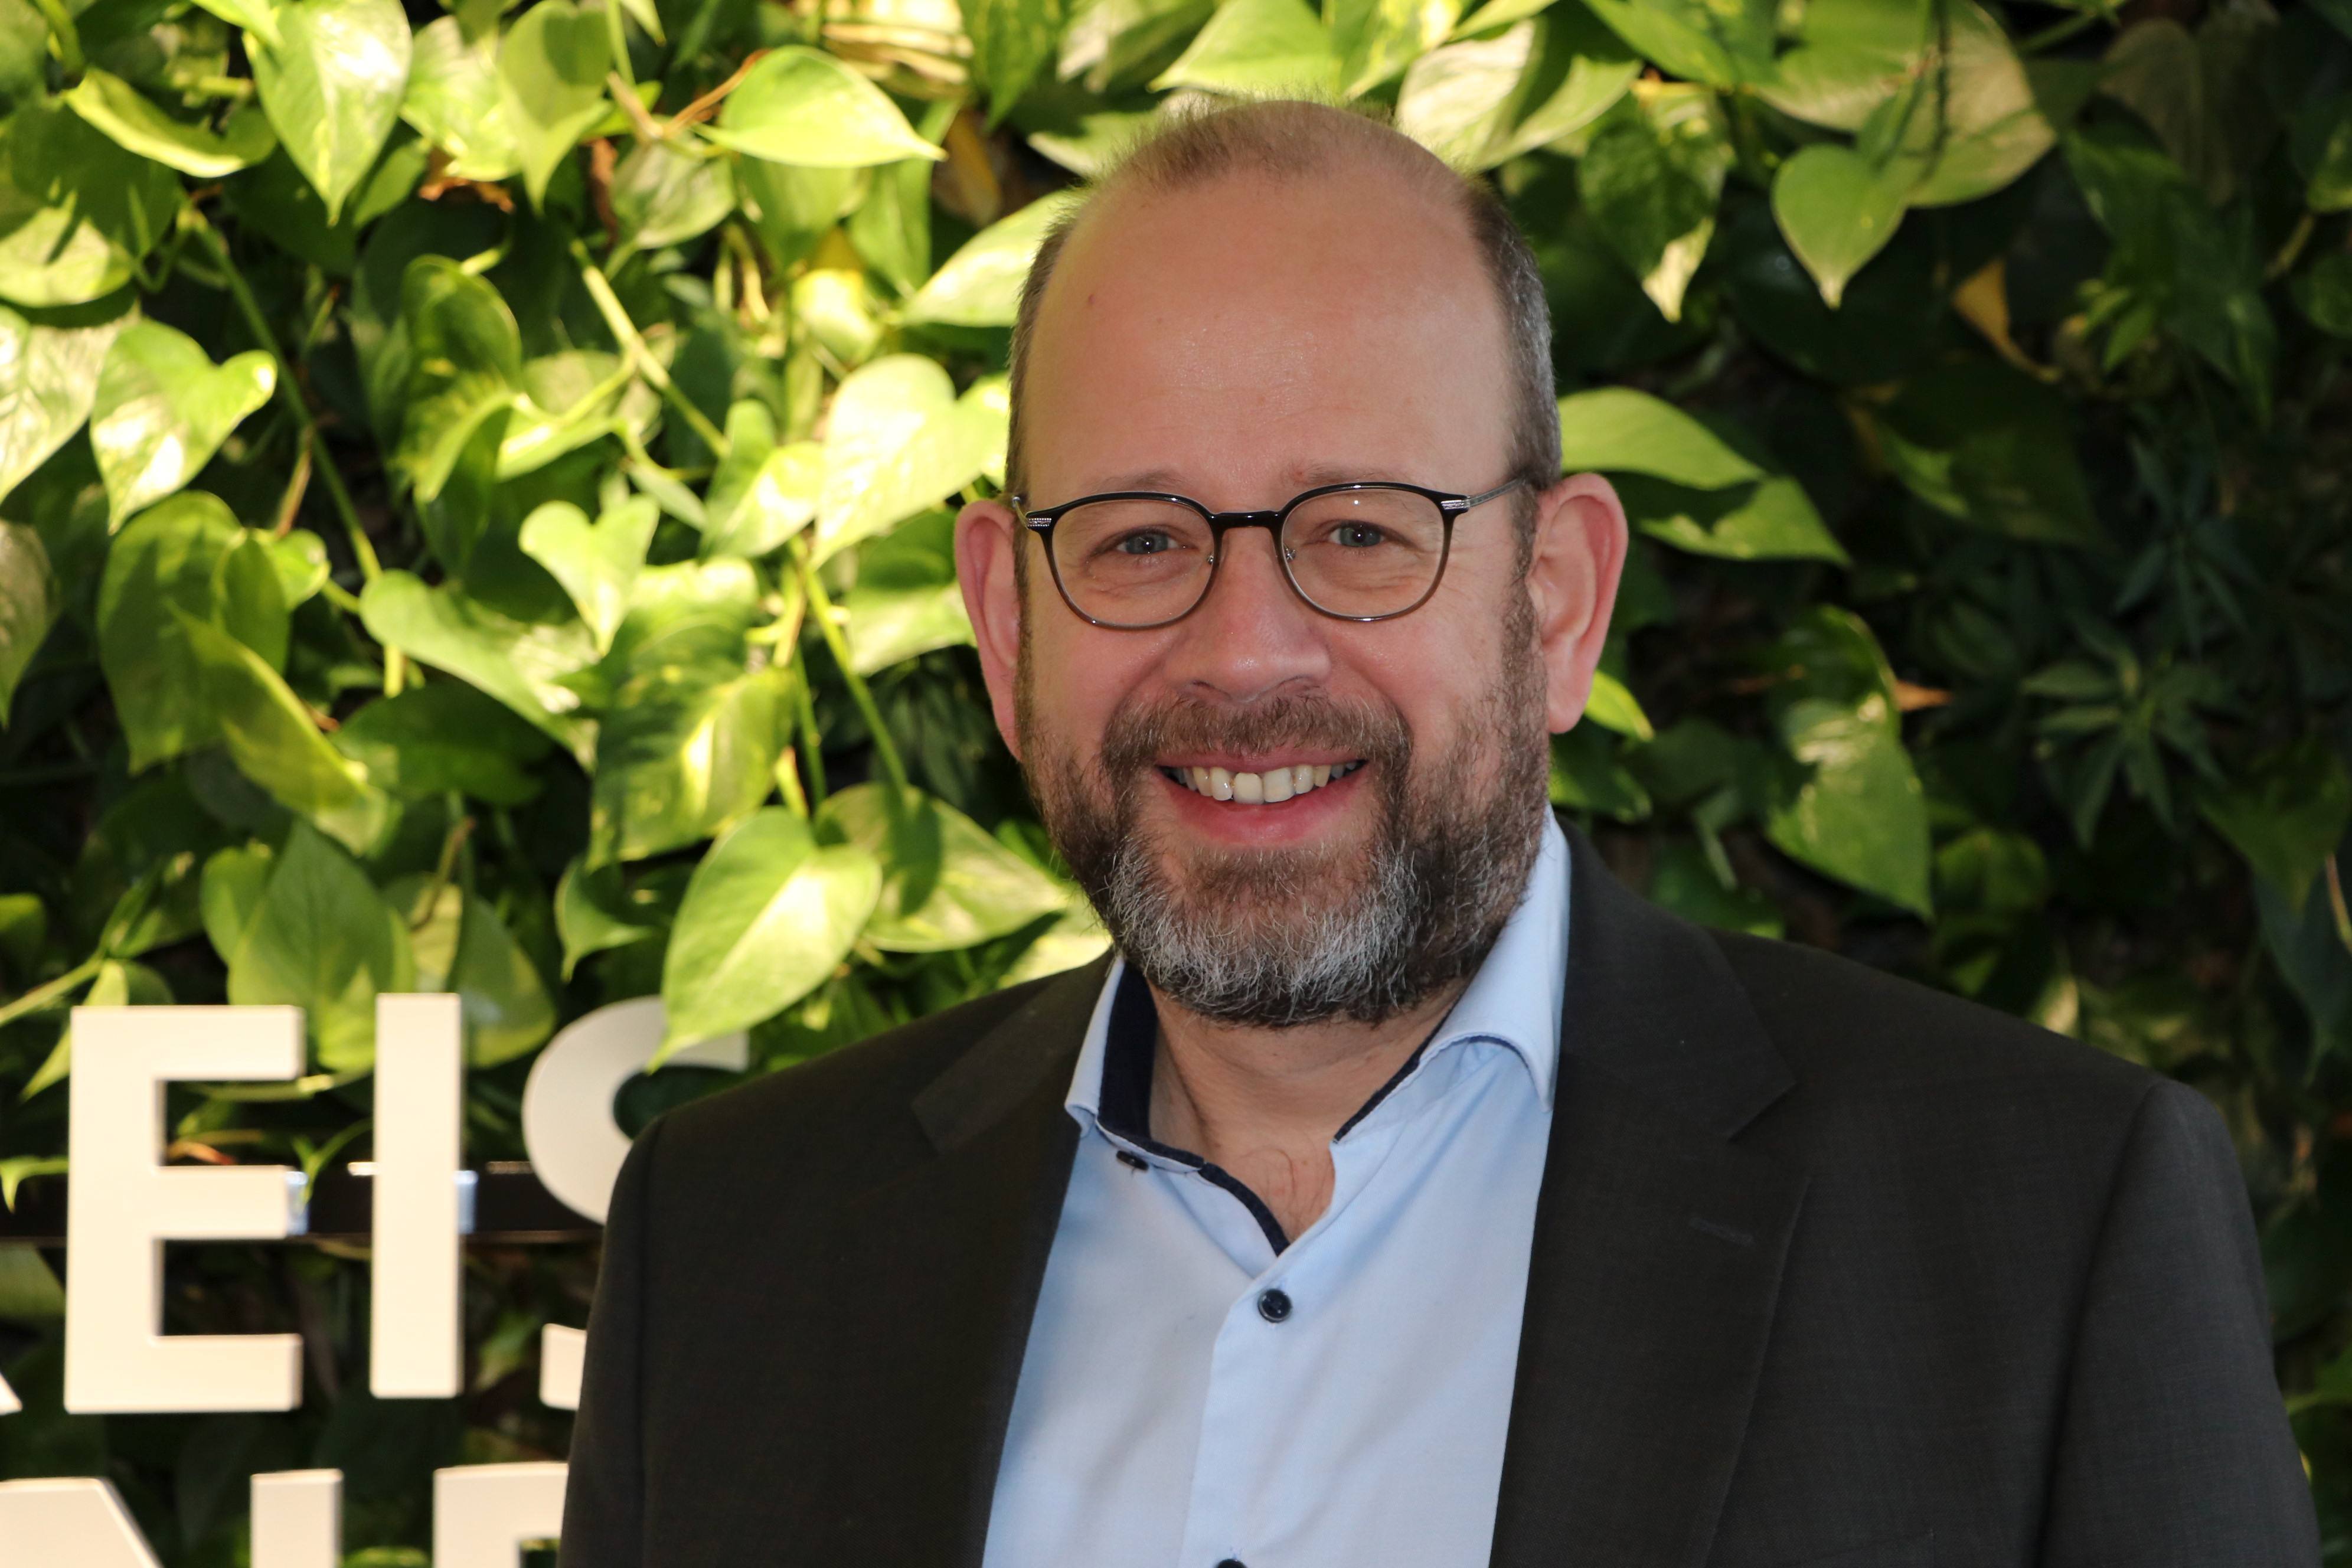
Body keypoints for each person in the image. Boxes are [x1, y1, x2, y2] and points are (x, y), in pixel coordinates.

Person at [557, 96, 2318, 1567]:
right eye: (1140, 540)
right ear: (1009, 628)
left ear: (1557, 603)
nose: (1246, 651)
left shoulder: (2039, 1237)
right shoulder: (735, 1256)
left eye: (1364, 530)